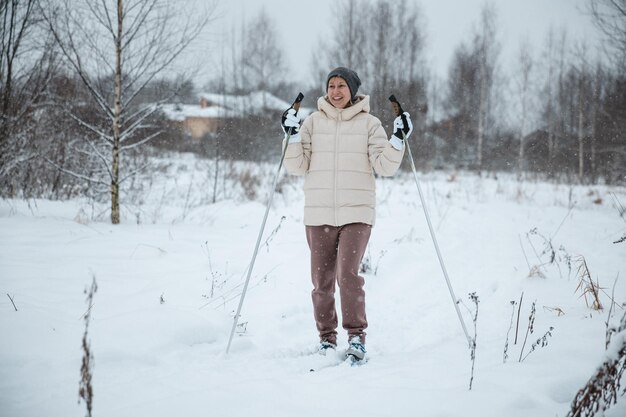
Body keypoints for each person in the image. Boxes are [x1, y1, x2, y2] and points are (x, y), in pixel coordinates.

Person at [280, 67, 413, 361]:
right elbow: (297, 165)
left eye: (342, 86)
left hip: (356, 214)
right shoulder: (313, 123)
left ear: (352, 90)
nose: (336, 91)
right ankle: (327, 338)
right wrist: (291, 137)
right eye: (331, 86)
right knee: (321, 281)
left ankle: (356, 336)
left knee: (348, 276)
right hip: (319, 215)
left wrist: (398, 140)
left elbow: (385, 166)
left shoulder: (370, 124)